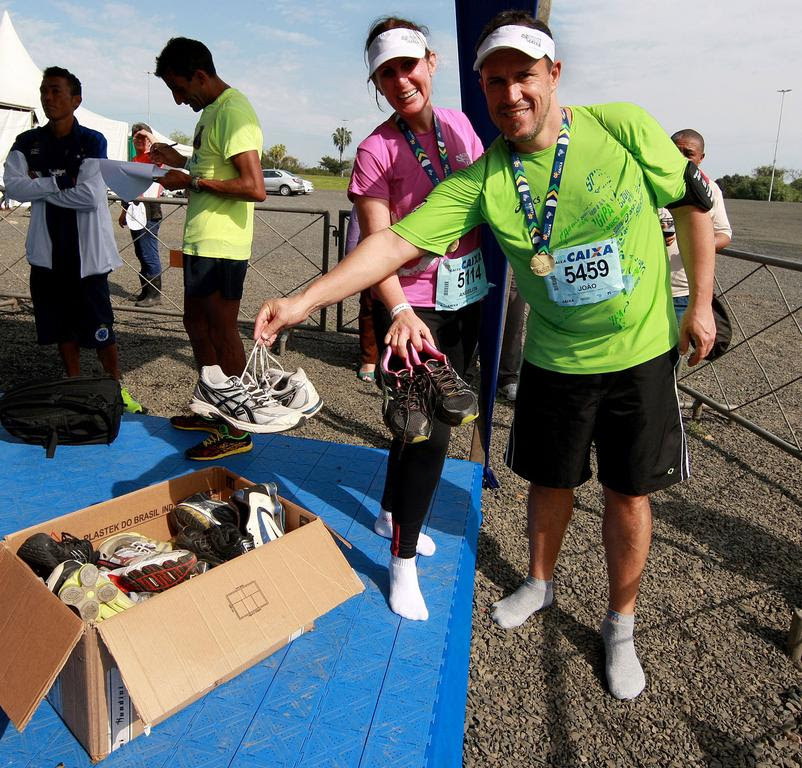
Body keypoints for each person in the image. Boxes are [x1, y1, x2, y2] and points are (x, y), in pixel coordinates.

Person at [255, 12, 718, 699]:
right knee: (549, 481)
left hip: (640, 353)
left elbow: (692, 204)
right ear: (481, 86)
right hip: (556, 360)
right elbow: (390, 244)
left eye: (524, 75)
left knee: (628, 493)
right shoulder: (484, 177)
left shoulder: (621, 125)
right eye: (496, 81)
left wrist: (701, 303)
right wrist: (300, 301)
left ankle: (620, 624)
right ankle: (538, 581)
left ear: (553, 75)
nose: (511, 94)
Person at [344, 17, 485, 621]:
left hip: (468, 293)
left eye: (409, 65)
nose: (401, 80)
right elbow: (376, 248)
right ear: (376, 81)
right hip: (412, 305)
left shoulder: (458, 124)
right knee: (430, 435)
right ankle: (401, 565)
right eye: (387, 72)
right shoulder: (376, 148)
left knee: (416, 425)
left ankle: (387, 513)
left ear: (431, 61)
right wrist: (398, 309)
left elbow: (488, 199)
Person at [149, 37, 267, 460]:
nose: (179, 100)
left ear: (201, 75)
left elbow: (255, 187)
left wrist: (192, 181)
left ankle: (238, 427)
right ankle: (213, 406)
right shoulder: (212, 114)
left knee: (220, 329)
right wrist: (178, 159)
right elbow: (210, 167)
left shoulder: (234, 111)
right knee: (195, 323)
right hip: (203, 240)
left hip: (224, 245)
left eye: (181, 89)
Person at [3, 66, 144, 413]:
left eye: (56, 91)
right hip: (47, 254)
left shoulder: (92, 140)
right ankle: (74, 387)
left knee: (100, 326)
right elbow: (14, 186)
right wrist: (59, 182)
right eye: (44, 92)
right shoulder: (28, 142)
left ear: (75, 99)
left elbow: (88, 196)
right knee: (61, 328)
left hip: (87, 257)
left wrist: (41, 186)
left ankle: (115, 388)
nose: (48, 98)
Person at [660, 129, 732, 323]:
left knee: (680, 349)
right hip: (647, 289)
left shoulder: (711, 189)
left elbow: (724, 235)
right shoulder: (650, 183)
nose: (681, 158)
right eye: (676, 151)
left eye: (689, 154)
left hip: (683, 291)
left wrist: (694, 243)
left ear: (701, 158)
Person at [117, 122, 164, 308]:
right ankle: (146, 290)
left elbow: (161, 149)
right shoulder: (134, 160)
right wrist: (123, 213)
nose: (139, 139)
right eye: (136, 136)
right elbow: (129, 189)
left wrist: (147, 134)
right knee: (140, 252)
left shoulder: (153, 157)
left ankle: (154, 294)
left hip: (150, 210)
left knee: (148, 251)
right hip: (135, 209)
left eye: (142, 137)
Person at [343, 207, 378, 382]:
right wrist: (351, 257)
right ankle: (369, 358)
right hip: (373, 253)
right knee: (369, 306)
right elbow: (357, 216)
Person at [497, 268, 525, 401]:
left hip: (513, 261)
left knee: (513, 313)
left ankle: (507, 375)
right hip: (479, 251)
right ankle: (467, 373)